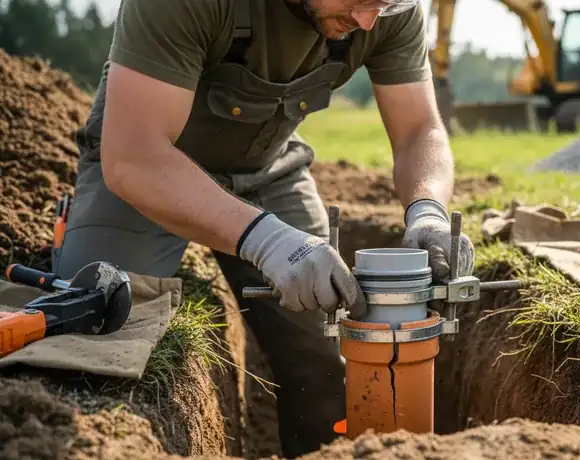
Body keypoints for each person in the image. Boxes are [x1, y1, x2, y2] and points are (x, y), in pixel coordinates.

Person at [55, 0, 475, 457]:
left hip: (268, 170)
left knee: (324, 352)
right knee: (102, 339)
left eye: (384, 4)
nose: (368, 20)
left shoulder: (383, 9)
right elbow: (134, 156)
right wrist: (269, 241)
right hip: (147, 176)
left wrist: (428, 209)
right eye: (357, 0)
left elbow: (419, 129)